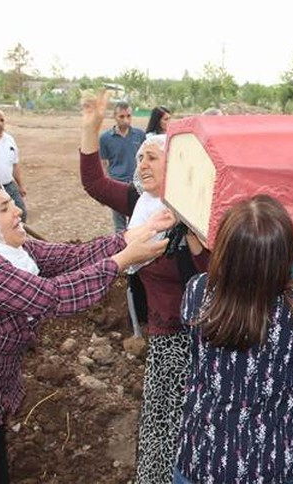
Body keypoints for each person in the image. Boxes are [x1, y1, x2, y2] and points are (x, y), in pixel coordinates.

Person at [0, 179, 170, 483]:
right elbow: (53, 297)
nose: (18, 211)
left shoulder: (11, 251)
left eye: (12, 202)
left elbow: (70, 258)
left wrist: (138, 232)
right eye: (4, 208)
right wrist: (123, 260)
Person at [80, 90, 206, 484]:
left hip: (198, 340)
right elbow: (95, 183)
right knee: (159, 422)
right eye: (139, 158)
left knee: (184, 424)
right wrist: (90, 126)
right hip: (164, 336)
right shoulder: (141, 204)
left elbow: (209, 274)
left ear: (176, 165)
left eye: (151, 157)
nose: (142, 163)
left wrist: (194, 234)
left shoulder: (199, 210)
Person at [173, 195, 293, 484]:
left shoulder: (197, 293)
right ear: (286, 254)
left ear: (224, 248)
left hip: (203, 456)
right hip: (274, 460)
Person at [99, 101, 146, 231]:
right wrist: (104, 191)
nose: (126, 120)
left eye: (129, 116)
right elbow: (104, 164)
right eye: (122, 116)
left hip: (136, 185)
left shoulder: (140, 135)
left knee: (136, 223)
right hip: (116, 184)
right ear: (114, 116)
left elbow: (145, 159)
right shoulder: (105, 139)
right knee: (119, 226)